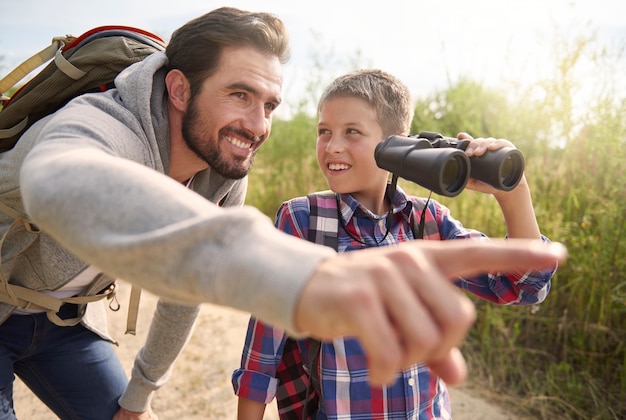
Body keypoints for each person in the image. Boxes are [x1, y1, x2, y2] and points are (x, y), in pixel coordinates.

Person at [0, 7, 566, 420]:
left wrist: (140, 396)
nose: (258, 124)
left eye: (269, 104)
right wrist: (301, 272)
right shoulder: (103, 122)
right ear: (178, 88)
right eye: (239, 95)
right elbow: (56, 179)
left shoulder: (222, 174)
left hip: (64, 325)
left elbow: (184, 288)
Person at [232, 69, 559, 419]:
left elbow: (523, 286)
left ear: (396, 145)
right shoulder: (303, 219)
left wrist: (513, 192)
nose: (333, 146)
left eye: (352, 132)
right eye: (324, 131)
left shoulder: (428, 220)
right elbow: (263, 352)